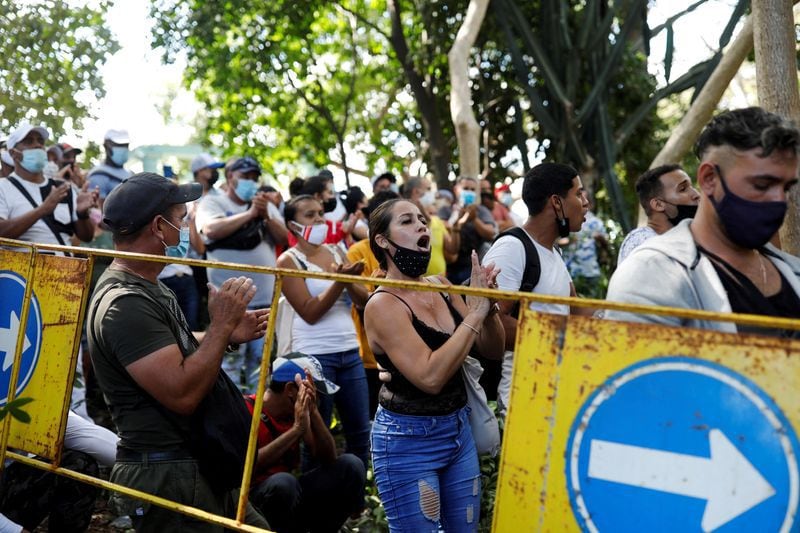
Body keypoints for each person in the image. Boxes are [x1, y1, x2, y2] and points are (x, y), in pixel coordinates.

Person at [87, 172, 270, 531]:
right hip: (168, 475)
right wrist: (219, 327)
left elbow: (172, 351)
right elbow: (181, 392)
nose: (186, 228)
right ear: (159, 226)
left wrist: (226, 333)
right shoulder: (124, 304)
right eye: (182, 219)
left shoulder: (150, 286)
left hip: (196, 462)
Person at [364, 198, 504, 531]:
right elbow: (430, 376)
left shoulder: (441, 285)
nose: (422, 226)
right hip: (407, 443)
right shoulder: (383, 304)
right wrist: (476, 313)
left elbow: (492, 349)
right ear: (382, 241)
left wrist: (489, 307)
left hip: (457, 431)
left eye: (423, 220)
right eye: (407, 221)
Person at [606, 107, 800, 337]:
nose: (779, 200)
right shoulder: (651, 274)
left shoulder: (792, 270)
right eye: (761, 185)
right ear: (709, 179)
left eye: (786, 188)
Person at [482, 163, 591, 415]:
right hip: (522, 400)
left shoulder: (553, 252)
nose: (585, 202)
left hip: (553, 390)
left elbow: (574, 310)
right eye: (578, 194)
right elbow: (492, 323)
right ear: (557, 202)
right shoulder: (512, 247)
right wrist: (561, 337)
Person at [276, 195, 371, 469]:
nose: (319, 219)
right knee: (316, 436)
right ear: (293, 225)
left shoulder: (337, 250)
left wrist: (350, 280)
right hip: (315, 359)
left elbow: (363, 300)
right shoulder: (287, 261)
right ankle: (316, 498)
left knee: (359, 433)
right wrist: (340, 281)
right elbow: (309, 311)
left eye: (320, 213)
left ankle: (354, 502)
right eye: (310, 215)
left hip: (350, 351)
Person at [196, 156, 288, 391]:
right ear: (230, 177)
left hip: (263, 302)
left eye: (254, 178)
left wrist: (266, 215)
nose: (251, 182)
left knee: (261, 365)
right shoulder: (213, 203)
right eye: (245, 177)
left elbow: (285, 239)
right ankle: (231, 412)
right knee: (229, 364)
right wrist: (250, 216)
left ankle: (257, 416)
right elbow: (210, 229)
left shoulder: (264, 206)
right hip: (229, 303)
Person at [246, 354, 366, 533]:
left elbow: (328, 458)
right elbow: (245, 467)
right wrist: (295, 430)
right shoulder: (246, 410)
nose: (317, 398)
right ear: (290, 390)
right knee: (284, 483)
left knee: (351, 465)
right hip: (253, 503)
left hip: (291, 496)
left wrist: (314, 412)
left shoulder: (296, 412)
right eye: (313, 393)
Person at [0, 411, 118, 533]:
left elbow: (91, 438)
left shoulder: (37, 403)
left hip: (9, 485)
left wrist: (136, 468)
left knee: (77, 465)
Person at [0, 122, 98, 251]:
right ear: (14, 153)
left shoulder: (63, 188)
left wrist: (82, 213)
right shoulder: (3, 187)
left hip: (64, 268)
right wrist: (42, 210)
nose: (37, 145)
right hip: (20, 269)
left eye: (40, 141)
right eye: (29, 141)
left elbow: (87, 237)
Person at [617, 164, 700, 263]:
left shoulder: (684, 240)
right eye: (683, 189)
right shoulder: (641, 242)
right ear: (658, 204)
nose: (696, 194)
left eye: (692, 187)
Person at [446, 176, 498, 284]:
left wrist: (474, 219)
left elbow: (491, 233)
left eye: (473, 190)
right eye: (466, 188)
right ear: (456, 190)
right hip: (450, 268)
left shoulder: (481, 210)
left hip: (474, 267)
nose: (469, 192)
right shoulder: (446, 210)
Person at [402, 176, 457, 276]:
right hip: (415, 286)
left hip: (440, 285)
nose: (432, 193)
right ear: (416, 192)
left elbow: (452, 251)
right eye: (428, 189)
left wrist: (457, 228)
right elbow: (424, 223)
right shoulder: (402, 219)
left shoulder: (437, 220)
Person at [561, 205, 609, 297]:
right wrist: (569, 240)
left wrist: (600, 238)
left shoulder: (595, 222)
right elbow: (555, 241)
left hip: (591, 271)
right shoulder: (565, 220)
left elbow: (606, 245)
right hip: (570, 272)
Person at [86, 129, 133, 205]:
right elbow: (98, 211)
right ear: (106, 146)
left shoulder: (130, 174)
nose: (123, 148)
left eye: (125, 145)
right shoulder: (98, 175)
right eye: (118, 145)